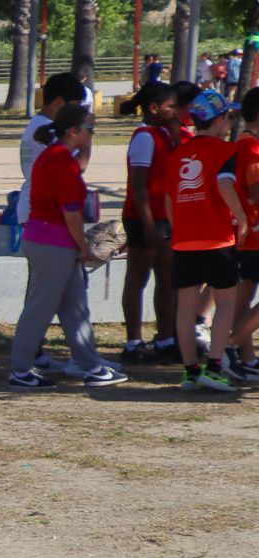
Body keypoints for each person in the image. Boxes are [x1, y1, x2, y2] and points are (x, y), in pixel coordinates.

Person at [7, 105, 126, 389]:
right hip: (53, 243)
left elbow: (80, 165)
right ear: (74, 131)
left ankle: (91, 366)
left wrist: (88, 141)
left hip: (52, 241)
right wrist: (83, 245)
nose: (93, 134)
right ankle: (20, 370)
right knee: (39, 310)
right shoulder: (61, 161)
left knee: (75, 308)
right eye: (91, 129)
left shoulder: (59, 157)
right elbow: (71, 214)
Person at [162, 90, 246, 392]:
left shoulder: (178, 153)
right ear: (220, 119)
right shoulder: (225, 151)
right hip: (217, 237)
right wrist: (242, 219)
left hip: (184, 241)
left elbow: (170, 201)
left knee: (185, 307)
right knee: (225, 303)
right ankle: (214, 366)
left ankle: (189, 371)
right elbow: (225, 186)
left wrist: (180, 229)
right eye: (228, 117)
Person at [117, 81, 179, 363]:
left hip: (165, 217)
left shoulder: (164, 133)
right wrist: (149, 224)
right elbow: (138, 185)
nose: (175, 111)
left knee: (167, 280)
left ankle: (165, 338)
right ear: (154, 109)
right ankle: (133, 342)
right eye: (170, 106)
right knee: (137, 279)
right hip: (143, 218)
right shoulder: (144, 137)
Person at [226, 88, 259, 379]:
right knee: (244, 297)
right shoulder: (251, 148)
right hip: (255, 233)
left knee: (243, 296)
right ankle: (229, 346)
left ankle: (245, 359)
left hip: (248, 234)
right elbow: (255, 191)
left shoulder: (242, 144)